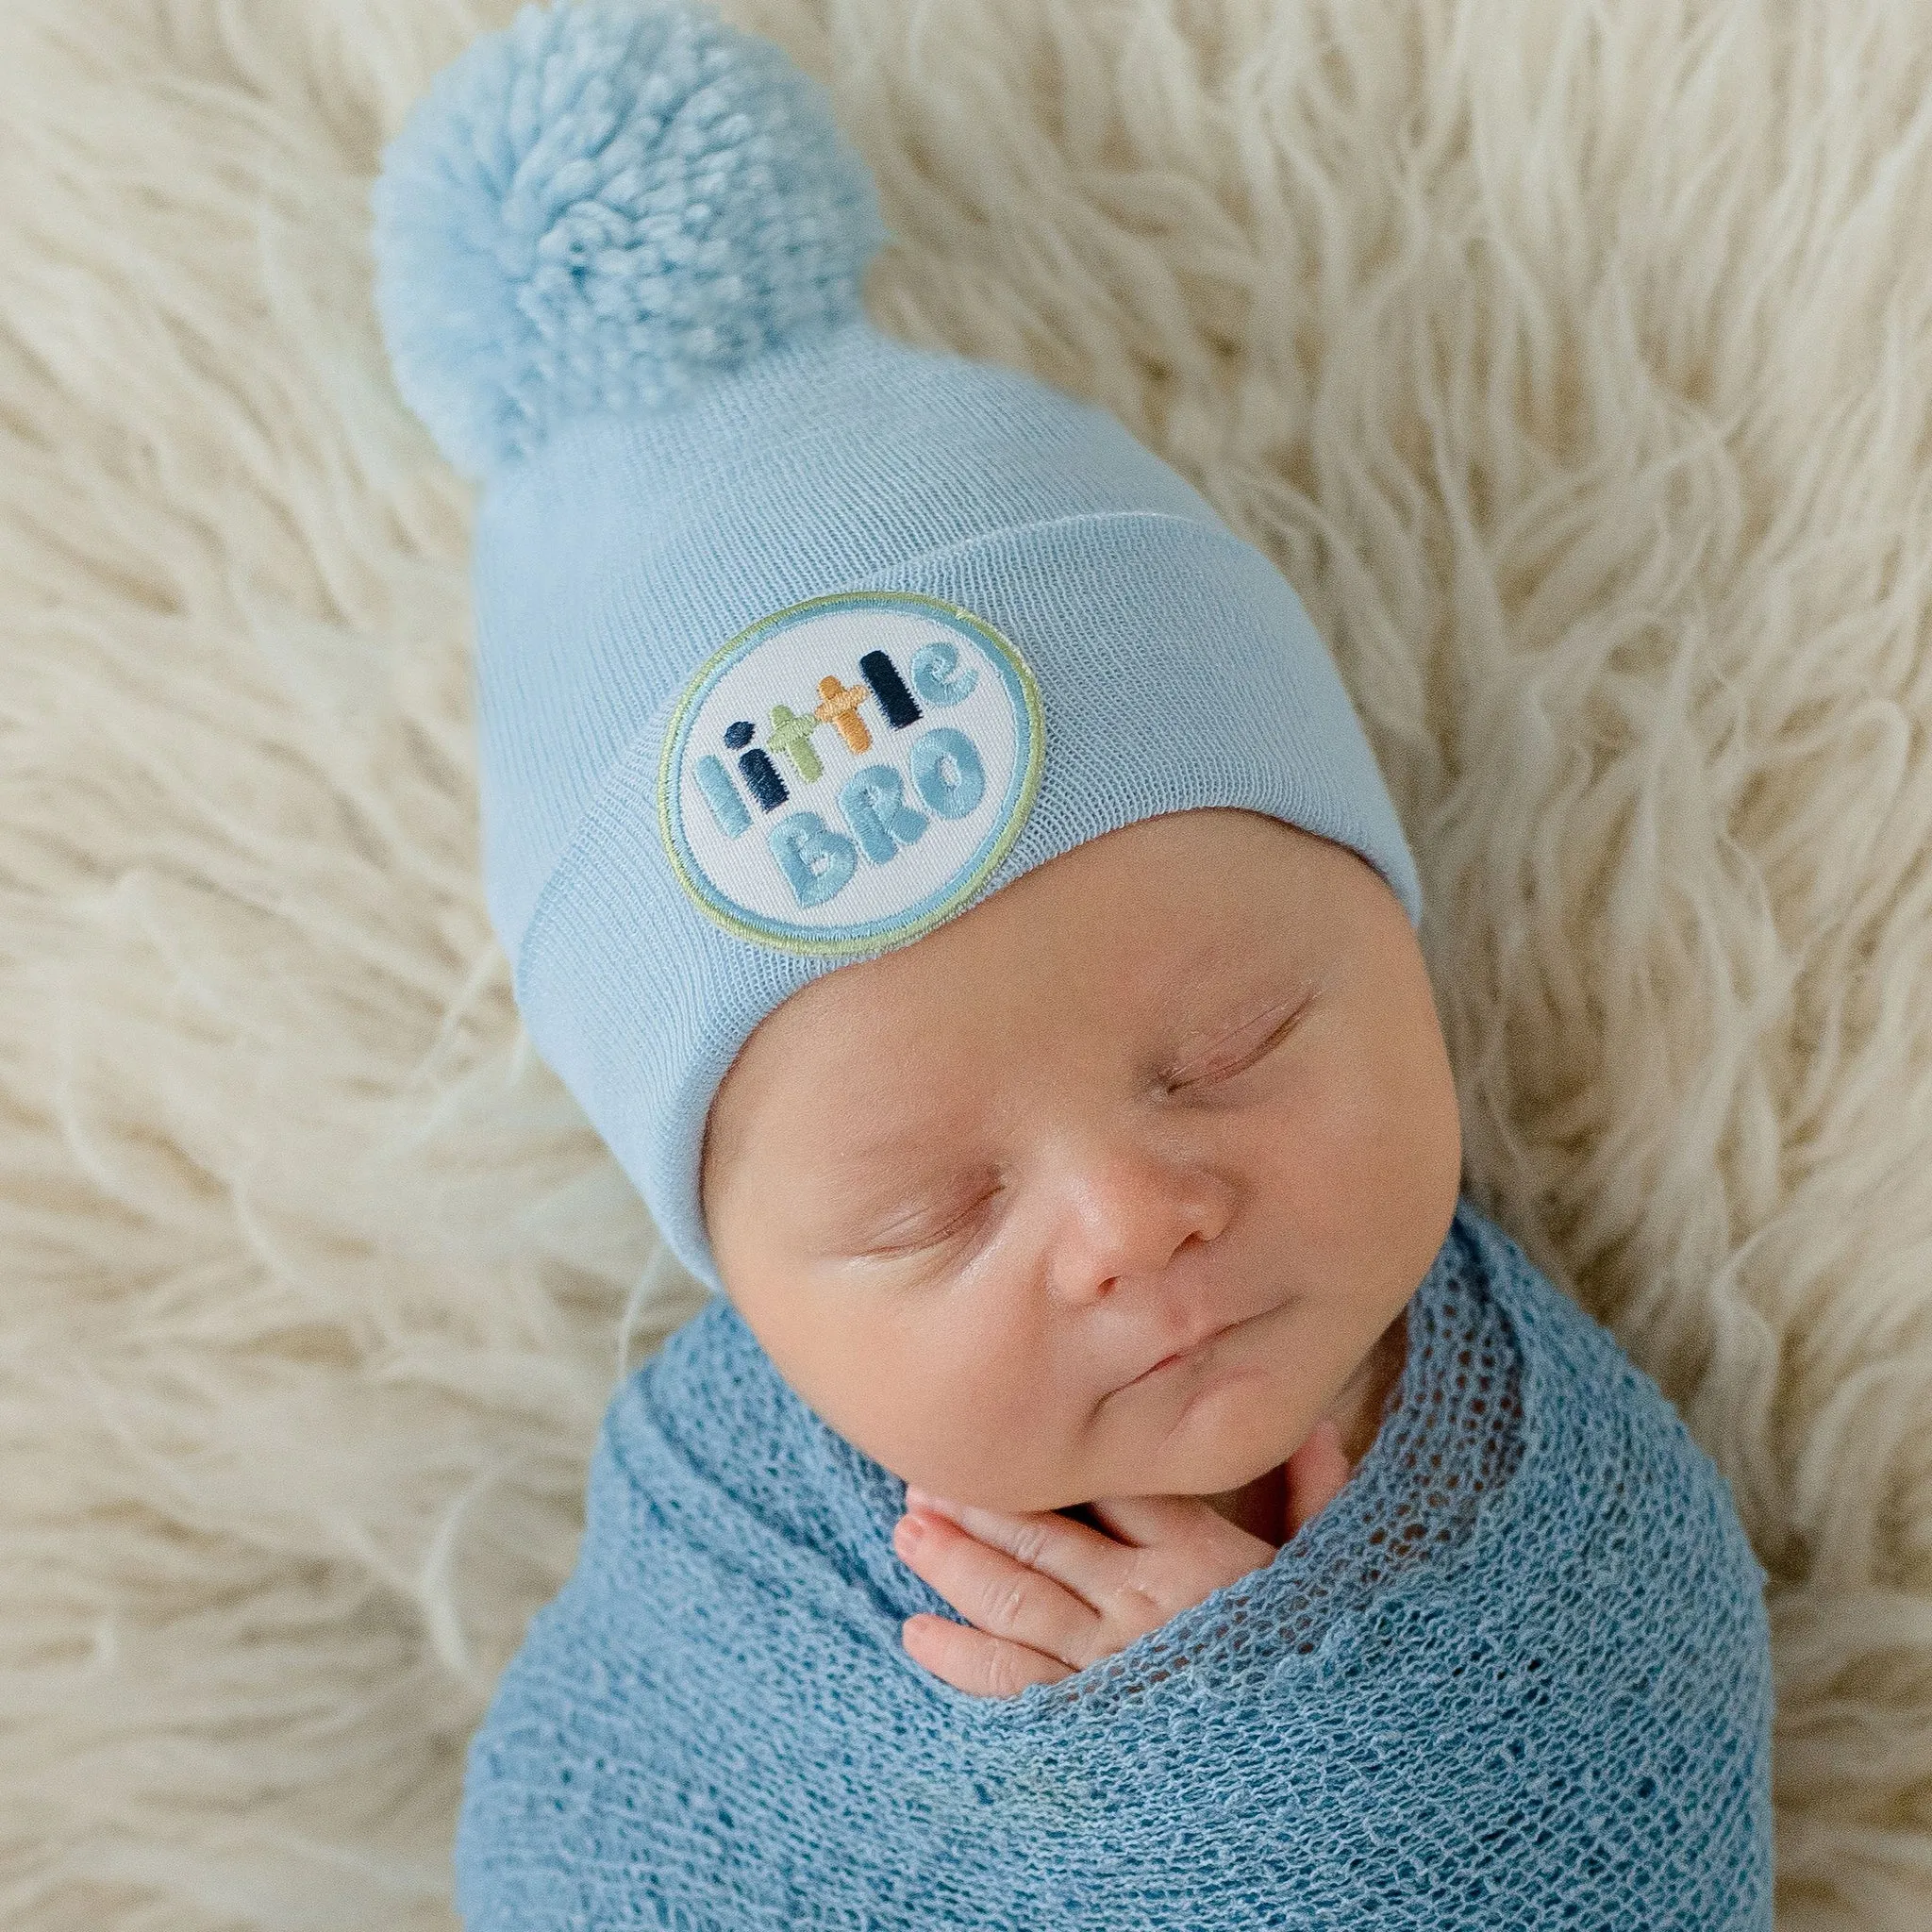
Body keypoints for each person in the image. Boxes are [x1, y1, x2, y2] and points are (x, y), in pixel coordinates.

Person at [370, 2, 1775, 1923]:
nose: (1134, 1217)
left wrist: (1291, 1760)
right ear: (749, 1293)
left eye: (1231, 1045)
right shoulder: (729, 1564)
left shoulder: (1557, 1515)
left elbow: (1635, 1831)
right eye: (933, 1208)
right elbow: (582, 1854)